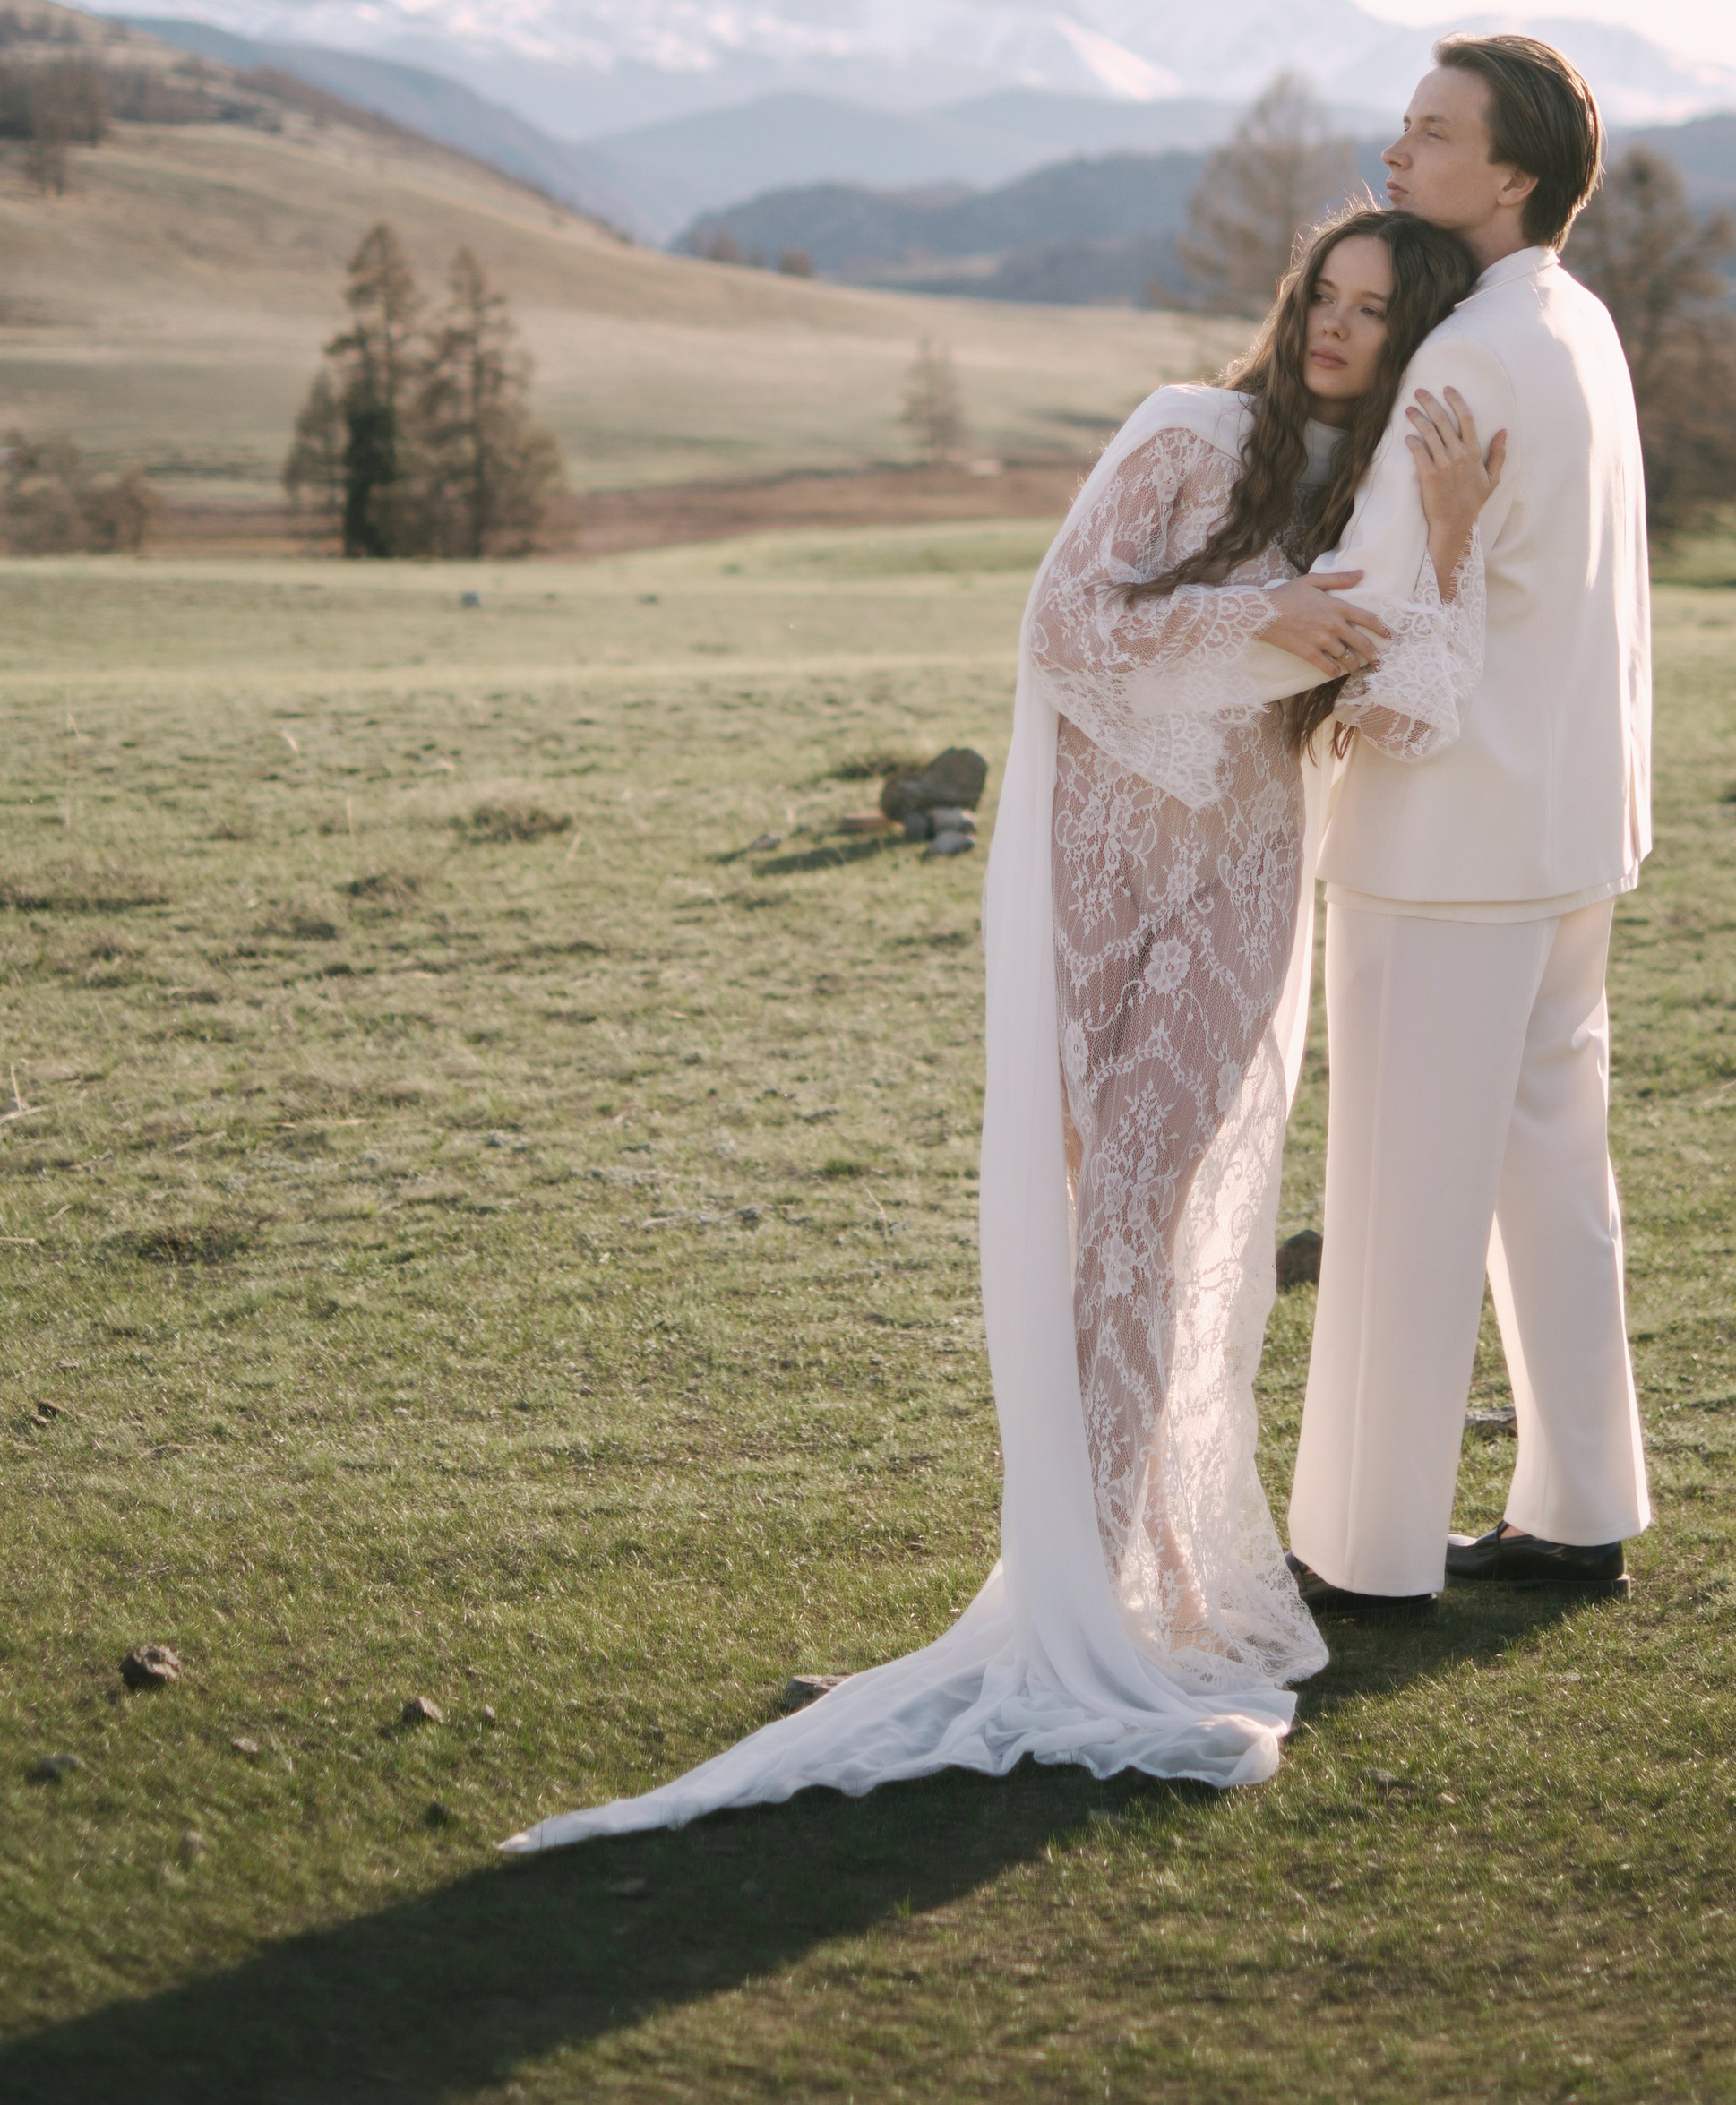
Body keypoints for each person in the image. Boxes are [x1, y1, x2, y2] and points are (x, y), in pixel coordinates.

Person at [504, 205, 1500, 1851]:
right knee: (1096, 1217)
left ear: (1417, 335)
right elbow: (1063, 628)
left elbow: (1402, 716)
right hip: (1095, 871)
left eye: (1375, 311)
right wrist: (1259, 621)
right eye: (1323, 295)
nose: (1336, 327)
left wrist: (1447, 547)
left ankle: (1110, 1590)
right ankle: (1111, 1569)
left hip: (1242, 880)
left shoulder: (1385, 498)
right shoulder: (1190, 436)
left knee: (1147, 1207)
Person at [1245, 35, 1654, 1609]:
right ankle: (1580, 1508)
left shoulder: (1462, 359)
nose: (1397, 154)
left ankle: (1366, 1553)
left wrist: (1180, 632)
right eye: (1403, 127)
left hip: (1445, 839)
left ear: (1513, 176)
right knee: (1551, 1174)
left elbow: (1363, 607)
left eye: (1432, 134)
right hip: (1571, 826)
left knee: (1398, 1198)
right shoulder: (1579, 324)